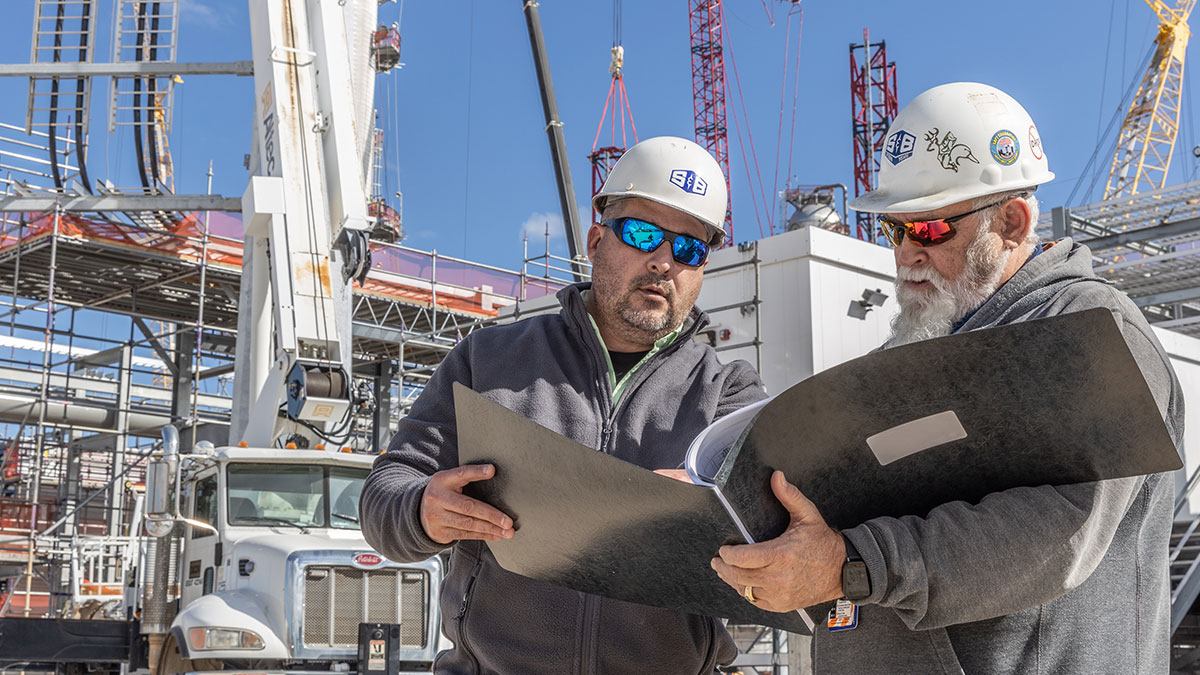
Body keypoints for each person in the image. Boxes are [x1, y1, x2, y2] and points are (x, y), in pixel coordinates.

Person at [710, 82, 1185, 673]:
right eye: (895, 230)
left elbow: (1060, 529)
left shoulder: (1087, 331)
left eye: (930, 231)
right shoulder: (915, 345)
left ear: (1011, 223)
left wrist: (852, 565)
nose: (907, 254)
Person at [360, 136, 768, 674]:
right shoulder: (490, 362)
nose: (663, 262)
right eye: (644, 233)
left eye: (688, 249)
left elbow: (779, 531)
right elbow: (383, 497)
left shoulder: (728, 396)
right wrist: (423, 511)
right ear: (598, 239)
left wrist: (710, 515)